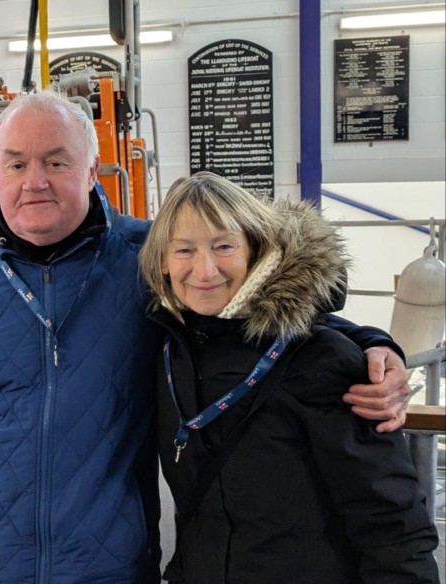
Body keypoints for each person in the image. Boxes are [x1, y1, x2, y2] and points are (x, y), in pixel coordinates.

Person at [0, 92, 411, 584]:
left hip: (112, 566)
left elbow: (257, 303)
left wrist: (371, 343)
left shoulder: (149, 258)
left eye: (56, 162)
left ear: (91, 165)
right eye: (16, 164)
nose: (34, 181)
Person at [138, 172, 439, 583]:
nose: (204, 270)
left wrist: (377, 343)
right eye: (184, 250)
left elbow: (391, 519)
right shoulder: (168, 347)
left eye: (224, 246)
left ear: (255, 249)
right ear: (162, 262)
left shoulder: (323, 360)